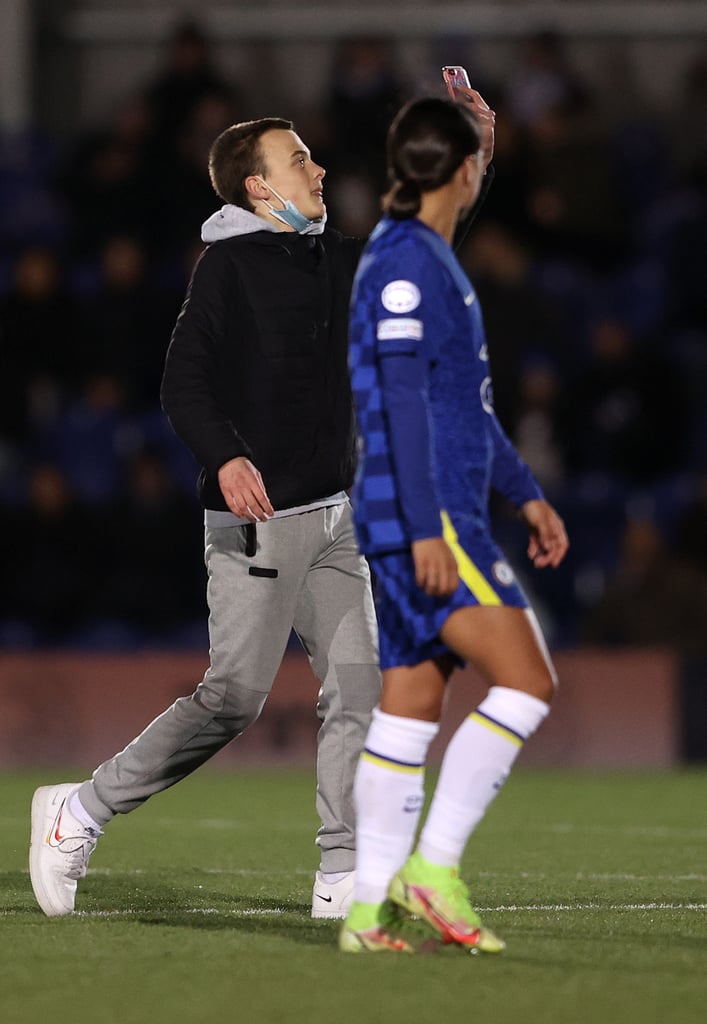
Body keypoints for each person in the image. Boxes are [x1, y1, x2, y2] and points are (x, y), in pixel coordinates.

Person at [29, 116, 382, 921]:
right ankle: (79, 811)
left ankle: (344, 873)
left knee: (359, 685)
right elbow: (183, 384)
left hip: (337, 514)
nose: (318, 169)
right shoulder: (226, 267)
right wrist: (224, 456)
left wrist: (474, 160)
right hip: (256, 519)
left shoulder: (334, 257)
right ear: (258, 187)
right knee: (233, 698)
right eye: (299, 160)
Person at [339, 96, 569, 953]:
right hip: (427, 521)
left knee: (411, 704)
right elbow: (400, 402)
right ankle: (431, 868)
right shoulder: (408, 264)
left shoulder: (420, 251)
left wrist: (524, 491)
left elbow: (459, 407)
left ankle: (367, 911)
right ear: (462, 170)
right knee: (526, 679)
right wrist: (432, 525)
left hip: (415, 515)